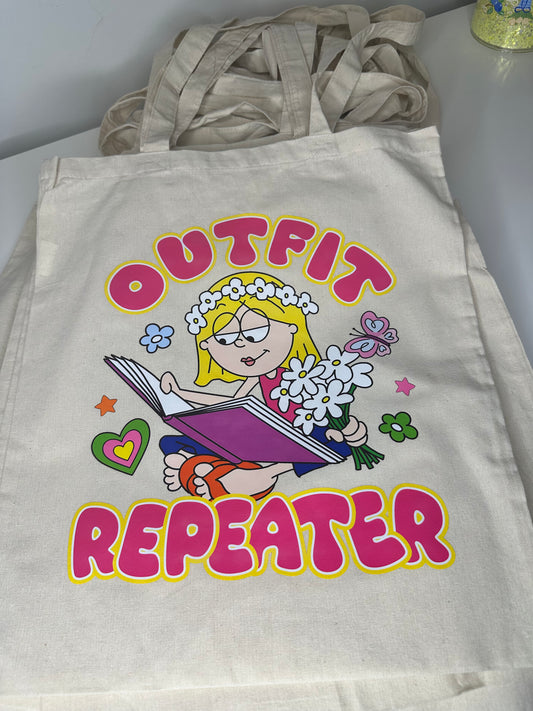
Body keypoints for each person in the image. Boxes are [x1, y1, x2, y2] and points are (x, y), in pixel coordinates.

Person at [159, 272, 368, 500]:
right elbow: (232, 404)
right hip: (266, 433)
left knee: (338, 445)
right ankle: (207, 468)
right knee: (175, 440)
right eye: (225, 339)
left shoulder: (301, 373)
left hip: (302, 431)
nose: (241, 344)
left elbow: (326, 410)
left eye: (256, 332)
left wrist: (346, 429)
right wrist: (181, 393)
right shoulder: (258, 377)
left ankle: (260, 475)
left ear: (292, 326)